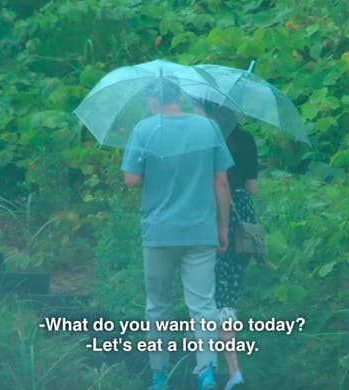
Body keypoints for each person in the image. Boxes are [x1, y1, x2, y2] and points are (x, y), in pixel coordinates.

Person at [121, 79, 234, 390]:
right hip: (201, 231)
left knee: (157, 305)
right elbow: (221, 183)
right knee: (202, 305)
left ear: (152, 101)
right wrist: (222, 227)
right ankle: (207, 371)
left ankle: (159, 376)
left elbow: (131, 180)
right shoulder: (207, 128)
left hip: (159, 232)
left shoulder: (144, 130)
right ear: (178, 98)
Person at [199, 102, 259, 390]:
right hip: (244, 220)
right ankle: (231, 368)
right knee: (228, 295)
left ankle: (218, 366)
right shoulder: (246, 139)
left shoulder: (208, 138)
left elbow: (212, 181)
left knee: (208, 295)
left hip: (216, 215)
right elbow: (252, 188)